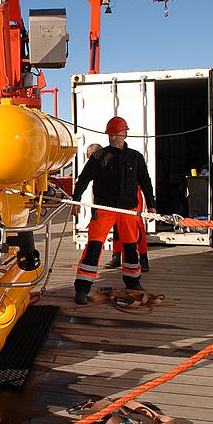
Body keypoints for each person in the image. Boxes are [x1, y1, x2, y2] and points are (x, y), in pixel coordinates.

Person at [71, 116, 157, 305]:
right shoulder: (99, 157)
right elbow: (83, 179)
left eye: (116, 135)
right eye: (110, 135)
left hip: (128, 210)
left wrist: (151, 204)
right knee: (94, 247)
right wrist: (75, 201)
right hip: (104, 209)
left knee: (130, 246)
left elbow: (145, 182)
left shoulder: (135, 157)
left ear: (125, 134)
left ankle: (133, 283)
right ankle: (82, 289)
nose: (113, 139)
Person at [104, 189, 150, 272]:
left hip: (133, 191)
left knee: (137, 223)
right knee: (116, 224)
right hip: (115, 192)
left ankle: (143, 258)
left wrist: (151, 205)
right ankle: (116, 256)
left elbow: (145, 181)